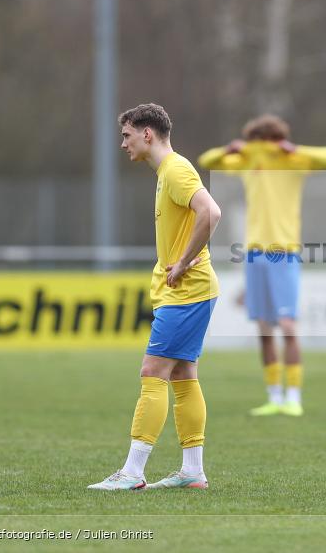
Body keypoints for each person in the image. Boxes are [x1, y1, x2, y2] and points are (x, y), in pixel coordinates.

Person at [88, 103, 221, 490]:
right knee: (182, 375)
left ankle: (132, 473)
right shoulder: (167, 173)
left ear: (147, 134)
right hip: (189, 292)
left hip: (187, 292)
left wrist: (181, 264)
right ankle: (192, 471)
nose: (122, 143)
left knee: (153, 372)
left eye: (127, 135)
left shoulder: (176, 170)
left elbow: (211, 213)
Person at [198, 114, 326, 417]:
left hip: (284, 251)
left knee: (288, 326)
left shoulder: (295, 161)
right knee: (264, 329)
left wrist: (294, 149)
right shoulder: (249, 162)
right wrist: (230, 149)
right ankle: (274, 396)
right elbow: (207, 159)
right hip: (253, 252)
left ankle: (294, 397)